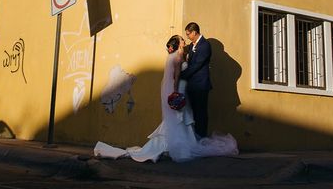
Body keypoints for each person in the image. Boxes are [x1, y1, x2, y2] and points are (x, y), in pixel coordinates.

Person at [94, 34, 237, 163]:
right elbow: (176, 76)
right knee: (182, 116)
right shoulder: (179, 56)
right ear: (178, 44)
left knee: (179, 117)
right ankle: (180, 144)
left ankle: (170, 143)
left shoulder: (172, 56)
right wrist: (176, 92)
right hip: (179, 87)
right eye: (182, 40)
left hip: (179, 87)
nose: (184, 41)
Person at [179, 22, 211, 138]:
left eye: (188, 34)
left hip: (201, 85)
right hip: (192, 85)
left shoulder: (205, 45)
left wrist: (181, 75)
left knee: (200, 113)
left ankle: (201, 136)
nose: (187, 37)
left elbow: (196, 65)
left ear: (194, 32)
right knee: (193, 112)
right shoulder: (192, 45)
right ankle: (194, 136)